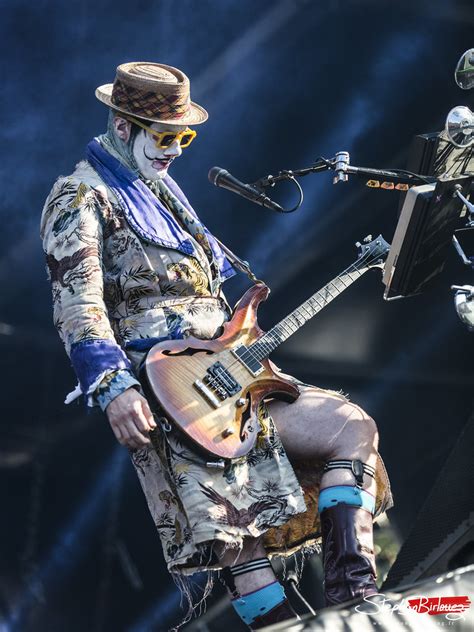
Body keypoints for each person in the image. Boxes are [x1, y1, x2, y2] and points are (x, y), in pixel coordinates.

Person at [41, 62, 393, 630]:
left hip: (236, 376)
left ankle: (355, 599)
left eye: (184, 137)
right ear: (124, 127)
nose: (176, 150)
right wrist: (112, 386)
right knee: (237, 540)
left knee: (350, 425)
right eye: (164, 137)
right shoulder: (80, 196)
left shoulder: (165, 191)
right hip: (173, 390)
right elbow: (77, 305)